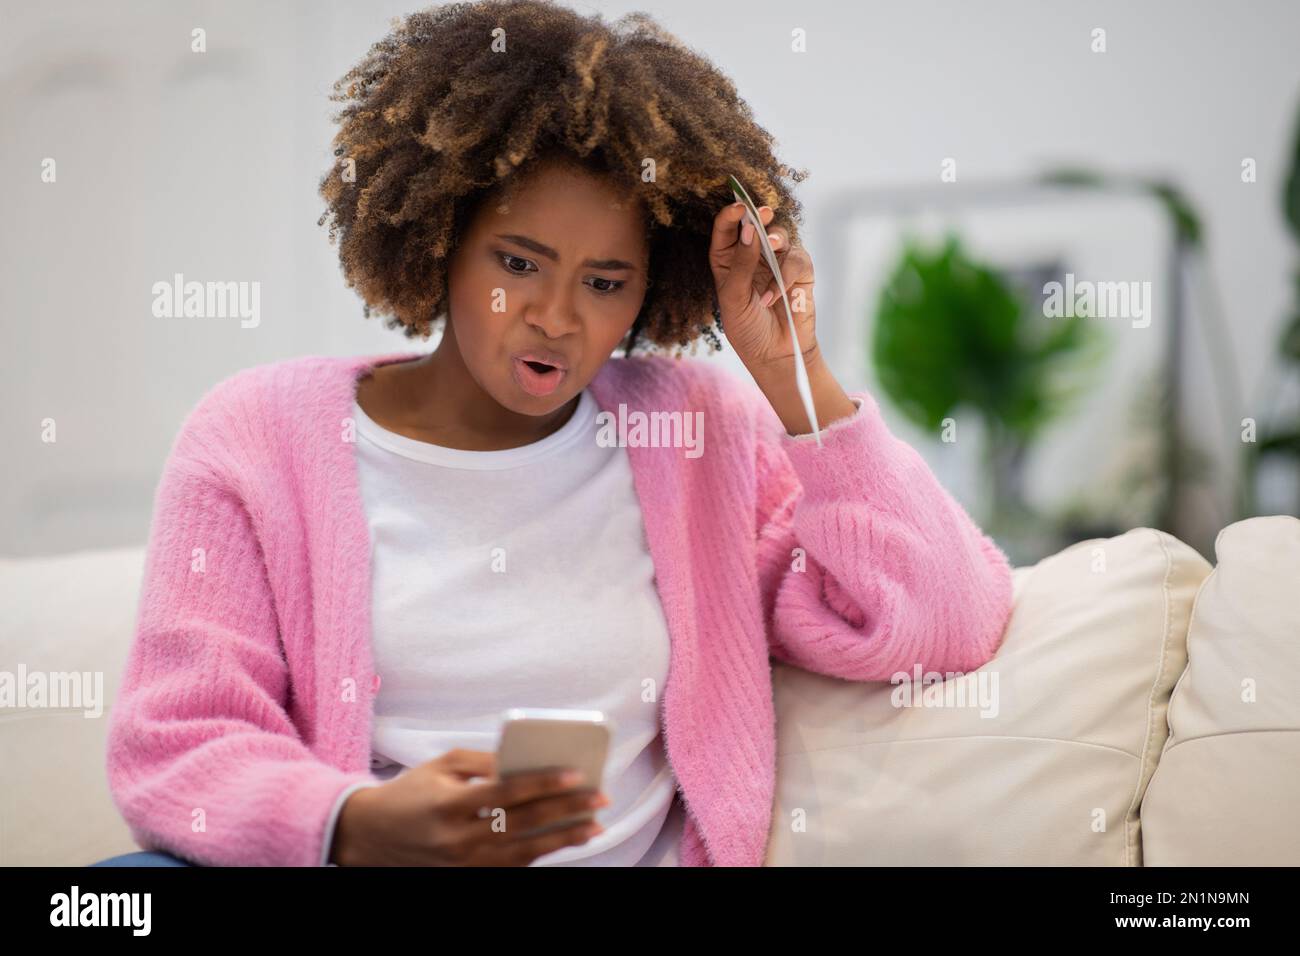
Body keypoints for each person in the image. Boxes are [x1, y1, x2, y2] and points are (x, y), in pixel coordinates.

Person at [94, 0, 1013, 868]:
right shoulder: (257, 435)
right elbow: (181, 743)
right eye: (519, 263)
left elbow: (945, 620)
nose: (557, 317)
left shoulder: (694, 436)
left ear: (650, 291)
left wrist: (793, 371)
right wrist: (356, 824)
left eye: (605, 283)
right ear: (441, 238)